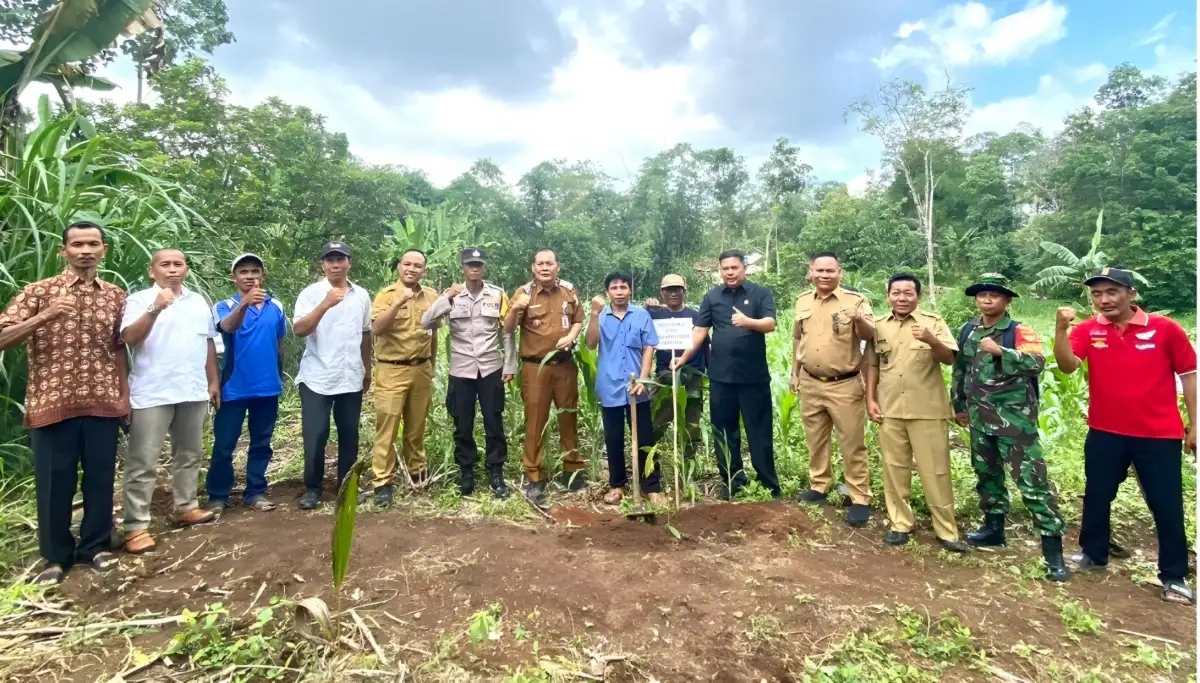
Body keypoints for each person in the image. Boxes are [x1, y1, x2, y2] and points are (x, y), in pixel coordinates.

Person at [1053, 268, 1196, 604]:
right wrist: (1060, 331)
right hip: (1105, 431)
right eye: (1097, 294)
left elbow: (1190, 375)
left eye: (1112, 292)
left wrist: (1196, 424)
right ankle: (1093, 555)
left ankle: (1174, 576)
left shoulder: (1165, 329)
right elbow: (1067, 365)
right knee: (1097, 495)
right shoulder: (1089, 330)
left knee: (1166, 504)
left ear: (1131, 294)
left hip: (1158, 435)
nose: (1104, 300)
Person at [0, 222, 128, 584]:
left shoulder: (116, 295)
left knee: (101, 478)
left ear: (103, 250)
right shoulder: (39, 292)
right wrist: (45, 316)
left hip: (102, 400)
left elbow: (118, 348)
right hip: (52, 402)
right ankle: (55, 557)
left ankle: (96, 547)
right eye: (77, 244)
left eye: (92, 244)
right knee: (55, 482)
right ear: (63, 251)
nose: (85, 250)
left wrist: (124, 395)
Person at [951, 274, 1068, 581]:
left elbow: (1037, 363)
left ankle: (1053, 552)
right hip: (979, 419)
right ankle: (993, 530)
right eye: (982, 295)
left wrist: (1002, 352)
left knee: (1032, 483)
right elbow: (960, 370)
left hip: (1014, 422)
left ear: (1007, 300)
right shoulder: (968, 330)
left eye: (994, 295)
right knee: (987, 477)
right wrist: (959, 405)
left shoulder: (1018, 331)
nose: (987, 300)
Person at [120, 248, 220, 554]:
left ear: (186, 270)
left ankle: (185, 506)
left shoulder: (198, 301)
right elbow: (129, 338)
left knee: (190, 453)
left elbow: (208, 342)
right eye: (166, 264)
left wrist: (213, 381)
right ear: (153, 271)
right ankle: (136, 526)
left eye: (178, 264)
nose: (173, 269)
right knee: (143, 461)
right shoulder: (138, 299)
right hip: (152, 392)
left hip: (191, 388)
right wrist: (155, 307)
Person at [865, 274, 967, 552]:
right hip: (890, 409)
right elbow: (872, 364)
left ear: (917, 297)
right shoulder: (878, 326)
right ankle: (900, 523)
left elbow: (948, 359)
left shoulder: (932, 323)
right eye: (896, 293)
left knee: (936, 471)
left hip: (927, 409)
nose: (902, 298)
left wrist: (932, 340)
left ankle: (946, 530)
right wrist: (870, 399)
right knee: (894, 469)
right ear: (887, 295)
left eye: (908, 293)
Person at [674, 249, 779, 499]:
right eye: (725, 269)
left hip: (753, 378)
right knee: (724, 433)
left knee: (759, 432)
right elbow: (700, 331)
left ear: (744, 268)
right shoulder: (712, 297)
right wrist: (684, 357)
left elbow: (770, 324)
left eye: (734, 268)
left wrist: (749, 322)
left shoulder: (760, 293)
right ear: (720, 271)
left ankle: (768, 484)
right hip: (721, 378)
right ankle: (733, 482)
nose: (730, 272)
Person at [422, 248, 515, 499]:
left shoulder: (497, 295)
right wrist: (447, 298)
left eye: (478, 264)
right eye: (469, 264)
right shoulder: (452, 295)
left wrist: (510, 364)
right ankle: (467, 471)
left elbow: (507, 331)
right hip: (461, 370)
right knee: (462, 424)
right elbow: (426, 322)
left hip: (490, 368)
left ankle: (496, 472)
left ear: (484, 268)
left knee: (493, 422)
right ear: (462, 267)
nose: (474, 268)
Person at [791, 252, 875, 527]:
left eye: (830, 271)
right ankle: (820, 485)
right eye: (819, 270)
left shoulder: (856, 301)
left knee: (852, 442)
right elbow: (797, 338)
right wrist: (795, 373)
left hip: (845, 383)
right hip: (811, 381)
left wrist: (859, 318)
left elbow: (869, 336)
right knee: (815, 438)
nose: (824, 275)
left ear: (840, 273)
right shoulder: (803, 300)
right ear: (811, 272)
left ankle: (859, 496)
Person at [293, 242, 373, 510]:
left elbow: (365, 333)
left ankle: (346, 487)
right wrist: (325, 304)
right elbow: (300, 330)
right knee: (315, 435)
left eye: (340, 259)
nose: (335, 264)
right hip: (317, 376)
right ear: (323, 265)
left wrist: (367, 369)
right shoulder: (311, 293)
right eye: (330, 260)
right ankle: (312, 489)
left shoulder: (361, 295)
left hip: (350, 375)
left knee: (349, 434)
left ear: (349, 262)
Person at [206, 253, 288, 514]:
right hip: (233, 387)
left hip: (267, 387)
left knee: (261, 443)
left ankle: (255, 492)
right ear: (234, 277)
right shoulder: (223, 305)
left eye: (255, 271)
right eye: (243, 272)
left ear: (263, 275)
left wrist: (279, 374)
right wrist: (244, 304)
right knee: (224, 445)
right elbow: (227, 328)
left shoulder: (276, 306)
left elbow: (280, 342)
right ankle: (219, 495)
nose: (249, 276)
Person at [503, 249, 585, 506]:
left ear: (557, 267)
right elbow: (507, 328)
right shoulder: (523, 293)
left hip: (565, 366)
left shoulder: (569, 291)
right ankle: (534, 476)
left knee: (568, 417)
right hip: (535, 368)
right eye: (540, 264)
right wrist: (516, 309)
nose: (545, 267)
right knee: (535, 421)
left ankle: (571, 471)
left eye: (550, 263)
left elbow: (578, 320)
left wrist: (571, 337)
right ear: (533, 268)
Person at [585, 272, 663, 506]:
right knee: (614, 438)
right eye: (614, 288)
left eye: (623, 287)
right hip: (609, 386)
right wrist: (594, 313)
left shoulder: (641, 315)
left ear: (630, 290)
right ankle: (617, 485)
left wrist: (644, 378)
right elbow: (590, 344)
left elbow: (649, 347)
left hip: (637, 387)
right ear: (607, 292)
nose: (619, 292)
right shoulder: (600, 316)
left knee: (644, 438)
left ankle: (652, 487)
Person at [643, 274, 707, 463]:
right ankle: (650, 464)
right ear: (661, 292)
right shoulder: (654, 315)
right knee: (655, 422)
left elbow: (705, 346)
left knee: (691, 424)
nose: (673, 293)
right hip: (664, 376)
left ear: (684, 291)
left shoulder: (695, 316)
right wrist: (647, 307)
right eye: (668, 289)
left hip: (692, 376)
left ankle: (687, 466)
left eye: (677, 289)